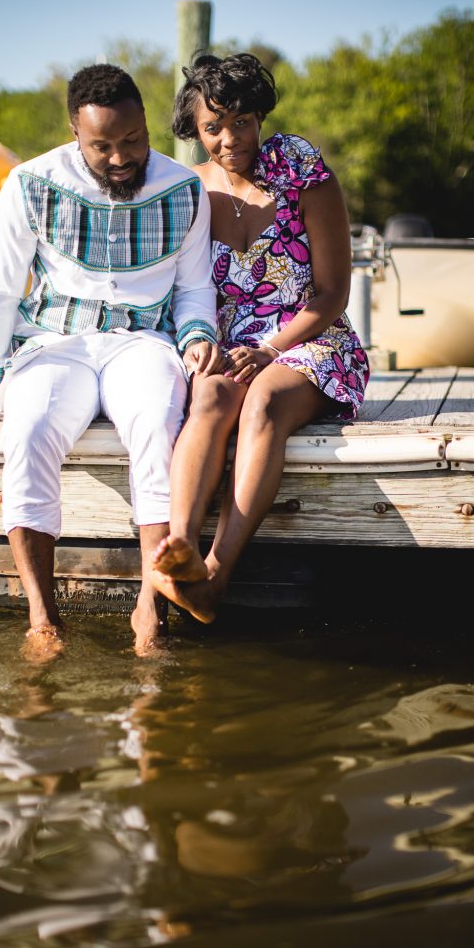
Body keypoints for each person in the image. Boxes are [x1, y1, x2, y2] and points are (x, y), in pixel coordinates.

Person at [0, 64, 219, 659]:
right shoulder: (31, 183)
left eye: (131, 140)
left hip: (143, 343)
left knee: (159, 425)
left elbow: (193, 288)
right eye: (101, 146)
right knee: (29, 428)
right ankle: (41, 617)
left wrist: (195, 335)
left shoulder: (184, 189)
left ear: (145, 123)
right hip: (55, 343)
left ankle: (150, 606)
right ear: (73, 133)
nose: (119, 157)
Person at [151, 53, 370, 623]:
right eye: (213, 127)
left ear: (259, 118)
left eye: (242, 121)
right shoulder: (188, 190)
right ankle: (178, 555)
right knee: (208, 396)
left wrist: (272, 348)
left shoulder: (299, 167)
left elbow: (331, 293)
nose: (229, 139)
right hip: (232, 346)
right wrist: (202, 345)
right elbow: (179, 292)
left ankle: (217, 576)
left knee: (265, 400)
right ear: (194, 132)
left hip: (312, 340)